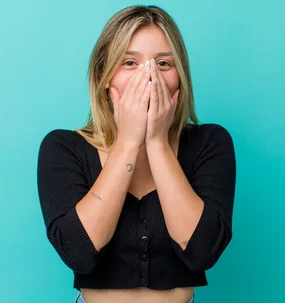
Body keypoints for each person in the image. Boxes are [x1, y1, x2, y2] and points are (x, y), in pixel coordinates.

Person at [37, 5, 236, 303]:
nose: (150, 78)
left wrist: (156, 142)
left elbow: (202, 252)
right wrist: (129, 141)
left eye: (164, 64)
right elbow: (79, 253)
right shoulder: (63, 147)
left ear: (180, 77)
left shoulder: (210, 142)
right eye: (130, 62)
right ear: (105, 76)